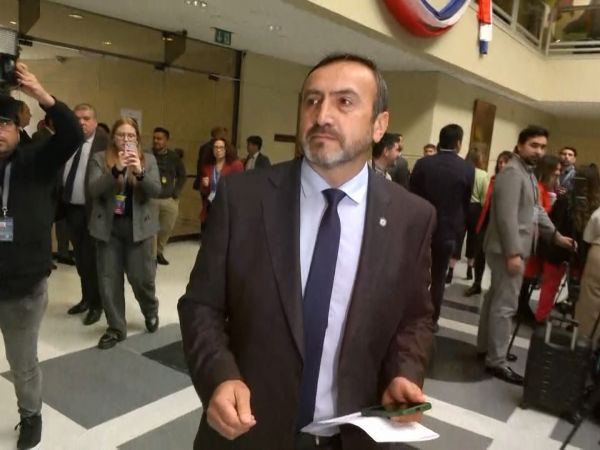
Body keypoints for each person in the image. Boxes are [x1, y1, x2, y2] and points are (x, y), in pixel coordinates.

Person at [178, 53, 435, 450]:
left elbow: (415, 318)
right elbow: (201, 305)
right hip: (247, 435)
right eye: (312, 100)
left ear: (379, 124)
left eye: (344, 102)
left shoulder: (411, 218)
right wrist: (219, 376)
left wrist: (404, 372)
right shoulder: (243, 198)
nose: (322, 115)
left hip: (352, 437)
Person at [0, 63, 82, 450]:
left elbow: (72, 134)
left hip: (23, 288)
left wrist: (40, 94)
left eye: (5, 124)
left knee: (22, 363)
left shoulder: (37, 161)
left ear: (18, 129)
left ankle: (31, 415)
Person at [476, 126, 573, 386]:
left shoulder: (526, 173)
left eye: (542, 146)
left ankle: (487, 348)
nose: (539, 151)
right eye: (533, 145)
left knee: (495, 299)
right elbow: (506, 217)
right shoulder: (512, 173)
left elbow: (535, 210)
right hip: (508, 250)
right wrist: (513, 253)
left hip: (509, 249)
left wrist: (556, 236)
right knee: (505, 305)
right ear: (520, 146)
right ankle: (496, 360)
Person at [87, 118, 161, 349]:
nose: (126, 139)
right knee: (109, 280)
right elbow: (94, 189)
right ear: (113, 137)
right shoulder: (100, 158)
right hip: (109, 229)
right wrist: (116, 169)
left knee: (142, 279)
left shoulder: (148, 159)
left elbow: (156, 191)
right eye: (121, 135)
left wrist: (139, 172)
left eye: (131, 135)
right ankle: (116, 328)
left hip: (139, 229)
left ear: (137, 138)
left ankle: (150, 309)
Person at [410, 124, 474, 331]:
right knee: (438, 277)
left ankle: (410, 314)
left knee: (416, 273)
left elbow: (412, 196)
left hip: (422, 227)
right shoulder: (467, 168)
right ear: (458, 143)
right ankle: (432, 319)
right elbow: (465, 202)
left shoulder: (423, 164)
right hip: (447, 230)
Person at [63, 103, 109, 325]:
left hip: (94, 212)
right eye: (77, 118)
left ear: (95, 122)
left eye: (86, 118)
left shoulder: (105, 145)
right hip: (71, 210)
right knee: (80, 259)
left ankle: (97, 304)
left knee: (93, 261)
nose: (81, 122)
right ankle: (85, 299)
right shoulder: (68, 142)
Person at [517, 154, 562, 323]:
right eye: (556, 170)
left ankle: (522, 306)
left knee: (527, 278)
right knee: (524, 277)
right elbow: (537, 215)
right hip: (530, 240)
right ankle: (520, 307)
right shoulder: (537, 188)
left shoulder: (543, 188)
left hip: (536, 240)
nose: (558, 174)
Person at [465, 151, 513, 296]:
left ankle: (495, 288)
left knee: (497, 259)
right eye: (500, 162)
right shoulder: (493, 179)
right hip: (486, 222)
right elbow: (486, 201)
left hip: (502, 225)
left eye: (505, 162)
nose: (502, 165)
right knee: (480, 253)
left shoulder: (514, 183)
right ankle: (477, 283)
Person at [448, 147, 489, 282]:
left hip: (461, 207)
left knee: (458, 238)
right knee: (473, 239)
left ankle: (450, 271)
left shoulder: (461, 171)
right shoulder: (483, 174)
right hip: (475, 209)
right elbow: (484, 197)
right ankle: (469, 270)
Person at [151, 126, 186, 265]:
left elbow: (182, 176)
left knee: (166, 229)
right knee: (151, 231)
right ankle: (152, 257)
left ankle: (159, 252)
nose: (156, 141)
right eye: (154, 138)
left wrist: (176, 193)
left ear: (166, 140)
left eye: (159, 138)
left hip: (169, 200)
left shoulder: (174, 157)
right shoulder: (147, 155)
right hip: (151, 199)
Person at [198, 138, 243, 225]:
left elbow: (240, 188)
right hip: (211, 205)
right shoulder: (207, 166)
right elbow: (203, 191)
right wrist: (204, 185)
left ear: (226, 149)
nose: (218, 150)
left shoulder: (235, 165)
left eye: (221, 147)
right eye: (216, 147)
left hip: (227, 207)